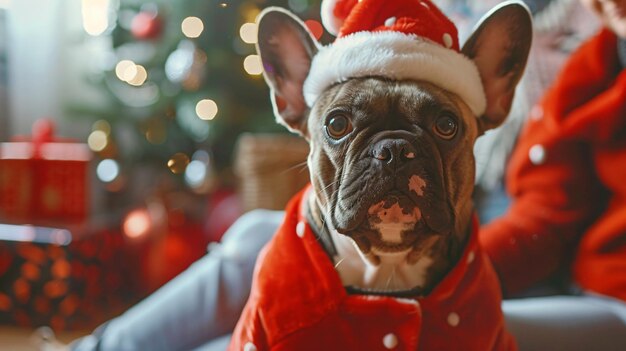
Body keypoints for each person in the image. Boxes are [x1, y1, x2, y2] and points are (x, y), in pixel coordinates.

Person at [63, 0, 626, 350]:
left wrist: (441, 278)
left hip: (605, 301)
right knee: (269, 239)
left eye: (442, 129)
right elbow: (549, 213)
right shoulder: (591, 72)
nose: (394, 156)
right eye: (339, 125)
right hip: (540, 263)